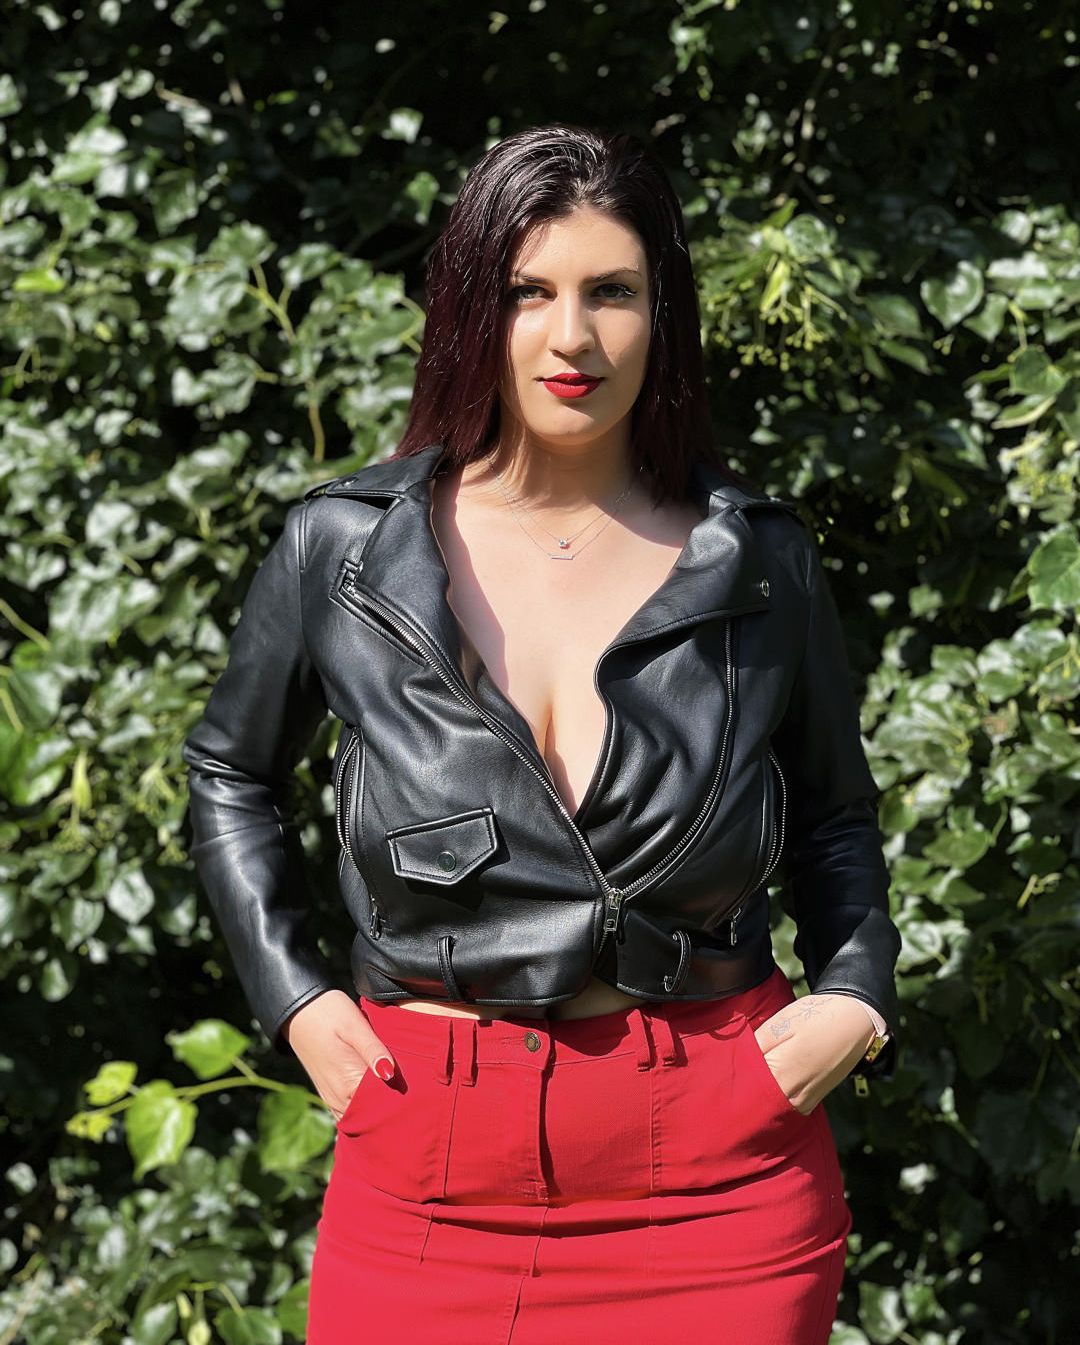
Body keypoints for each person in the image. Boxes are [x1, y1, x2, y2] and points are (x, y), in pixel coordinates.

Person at [182, 123, 900, 1344]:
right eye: (529, 292)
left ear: (662, 313)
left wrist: (856, 993)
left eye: (612, 291)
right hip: (428, 1166)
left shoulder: (757, 558)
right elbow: (229, 771)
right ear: (474, 308)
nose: (573, 337)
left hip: (723, 1168)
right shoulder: (345, 549)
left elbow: (834, 812)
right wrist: (297, 1001)